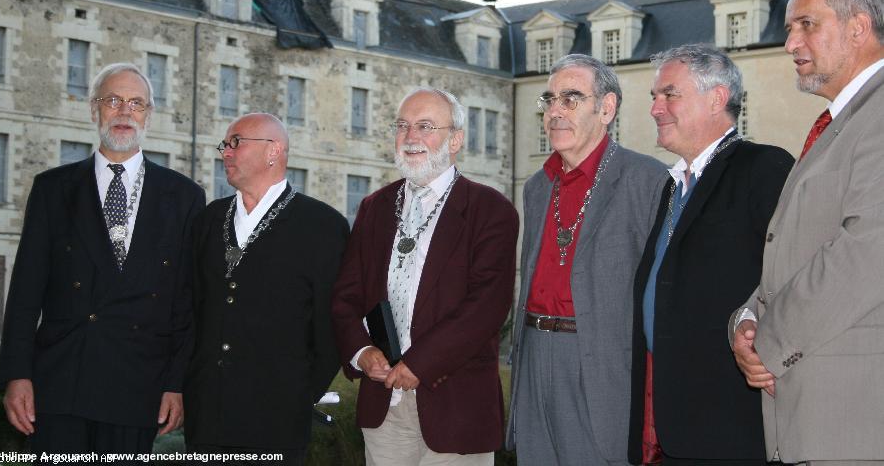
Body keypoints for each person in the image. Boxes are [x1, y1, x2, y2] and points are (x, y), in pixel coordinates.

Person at [0, 63, 205, 455]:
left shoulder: (184, 197)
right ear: (95, 110)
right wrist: (17, 375)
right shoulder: (52, 189)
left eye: (136, 103)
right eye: (113, 100)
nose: (125, 111)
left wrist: (175, 383)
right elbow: (25, 292)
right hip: (61, 381)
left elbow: (186, 302)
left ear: (149, 116)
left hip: (138, 383)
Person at [731, 0, 884, 464]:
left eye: (807, 25)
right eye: (790, 27)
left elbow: (866, 250)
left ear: (859, 27)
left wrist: (767, 341)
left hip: (853, 420)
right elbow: (796, 251)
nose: (791, 42)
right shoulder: (836, 124)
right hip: (805, 417)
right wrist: (746, 320)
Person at [331, 88, 519, 465]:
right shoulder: (374, 208)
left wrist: (419, 364)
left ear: (456, 140)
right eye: (403, 126)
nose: (411, 136)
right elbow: (346, 296)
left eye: (426, 126)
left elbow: (486, 308)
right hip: (384, 405)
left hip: (456, 406)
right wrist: (361, 351)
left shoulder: (490, 210)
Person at [628, 45, 793, 466]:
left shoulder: (762, 167)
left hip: (730, 422)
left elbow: (792, 275)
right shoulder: (673, 186)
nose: (655, 108)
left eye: (669, 94)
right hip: (672, 420)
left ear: (717, 98)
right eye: (653, 96)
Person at [506, 54, 667, 466]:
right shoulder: (538, 186)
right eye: (550, 99)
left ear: (607, 108)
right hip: (534, 352)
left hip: (600, 361)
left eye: (572, 98)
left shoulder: (648, 180)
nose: (555, 111)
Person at [184, 113, 348, 465]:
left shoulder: (322, 227)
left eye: (236, 143)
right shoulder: (208, 221)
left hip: (277, 419)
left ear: (274, 151)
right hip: (205, 415)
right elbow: (190, 309)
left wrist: (298, 396)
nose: (225, 153)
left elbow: (331, 328)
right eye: (224, 145)